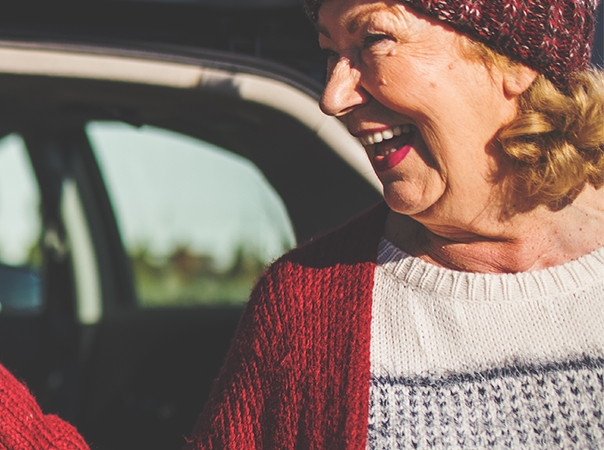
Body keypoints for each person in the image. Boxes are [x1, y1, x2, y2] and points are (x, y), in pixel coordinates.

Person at [187, 0, 604, 447]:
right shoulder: (304, 306)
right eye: (330, 53)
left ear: (515, 58)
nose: (333, 97)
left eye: (373, 40)